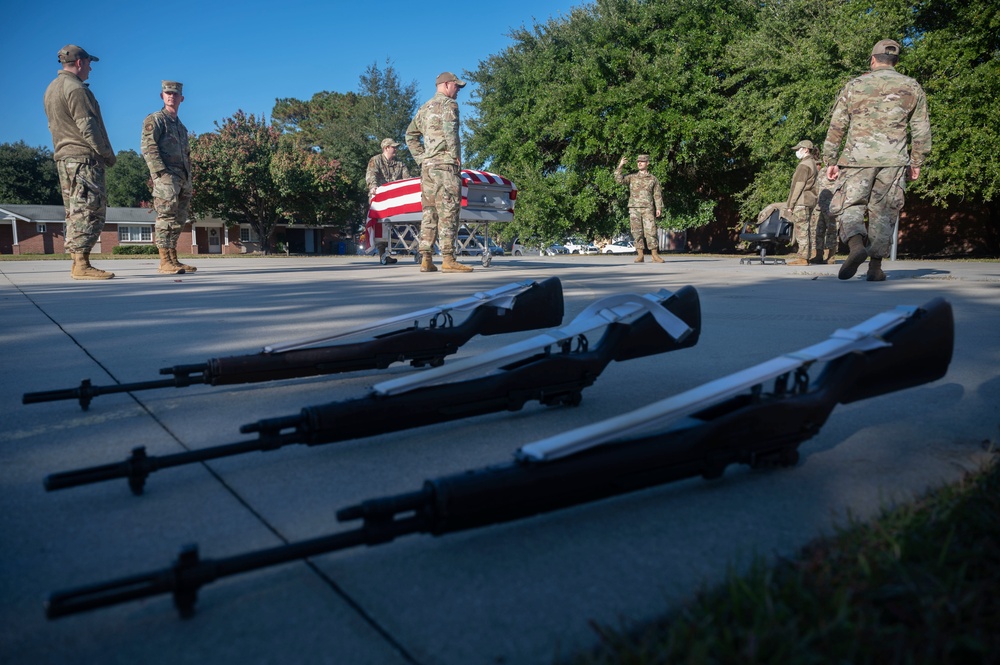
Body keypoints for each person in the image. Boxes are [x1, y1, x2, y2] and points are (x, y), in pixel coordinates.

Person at [823, 39, 931, 281]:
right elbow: (921, 130)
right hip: (893, 160)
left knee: (851, 205)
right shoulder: (912, 86)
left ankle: (855, 246)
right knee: (883, 212)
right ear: (896, 61)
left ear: (873, 59)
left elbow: (837, 125)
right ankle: (875, 268)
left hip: (856, 158)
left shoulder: (854, 86)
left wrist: (830, 159)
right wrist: (916, 162)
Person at [43, 44, 117, 280]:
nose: (91, 69)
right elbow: (88, 127)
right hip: (83, 159)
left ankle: (78, 263)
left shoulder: (52, 89)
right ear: (79, 63)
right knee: (89, 209)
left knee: (75, 210)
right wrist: (106, 153)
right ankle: (82, 264)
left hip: (65, 158)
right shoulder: (76, 89)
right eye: (89, 64)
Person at [405, 71, 472, 273]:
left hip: (428, 169)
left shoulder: (424, 108)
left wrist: (422, 158)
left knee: (430, 212)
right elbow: (451, 132)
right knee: (449, 212)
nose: (458, 91)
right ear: (445, 85)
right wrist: (455, 156)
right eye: (456, 86)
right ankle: (448, 259)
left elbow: (410, 136)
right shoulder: (448, 105)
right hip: (445, 166)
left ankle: (426, 258)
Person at [141, 81, 196, 275]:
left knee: (179, 219)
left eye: (174, 94)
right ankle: (164, 261)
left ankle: (173, 258)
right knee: (166, 217)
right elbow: (148, 147)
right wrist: (160, 174)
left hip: (183, 179)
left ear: (181, 98)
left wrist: (189, 179)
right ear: (162, 96)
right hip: (167, 178)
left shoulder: (181, 127)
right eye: (167, 93)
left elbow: (186, 155)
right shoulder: (156, 119)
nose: (171, 96)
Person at [365, 138, 411, 265]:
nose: (395, 149)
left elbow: (407, 180)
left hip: (396, 200)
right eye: (393, 147)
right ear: (386, 148)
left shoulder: (400, 164)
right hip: (380, 199)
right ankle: (383, 254)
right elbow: (371, 175)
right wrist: (373, 187)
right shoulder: (376, 160)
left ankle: (413, 248)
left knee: (403, 225)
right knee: (382, 228)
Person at [614, 154, 664, 263]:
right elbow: (619, 180)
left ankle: (654, 255)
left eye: (642, 161)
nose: (639, 163)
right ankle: (640, 255)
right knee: (636, 232)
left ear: (647, 163)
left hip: (648, 208)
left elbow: (657, 194)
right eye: (638, 161)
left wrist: (658, 207)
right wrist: (620, 166)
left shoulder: (653, 179)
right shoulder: (632, 177)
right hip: (634, 208)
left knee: (651, 231)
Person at [783, 140, 818, 266]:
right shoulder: (812, 163)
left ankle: (803, 258)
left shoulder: (804, 165)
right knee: (806, 228)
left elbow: (798, 186)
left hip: (801, 201)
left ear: (806, 149)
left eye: (799, 149)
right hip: (809, 200)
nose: (797, 151)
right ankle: (807, 255)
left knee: (801, 229)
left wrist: (790, 205)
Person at [811, 162, 840, 264]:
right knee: (818, 231)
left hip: (831, 207)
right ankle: (818, 255)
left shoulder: (838, 170)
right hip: (820, 206)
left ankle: (831, 256)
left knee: (832, 231)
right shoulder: (823, 171)